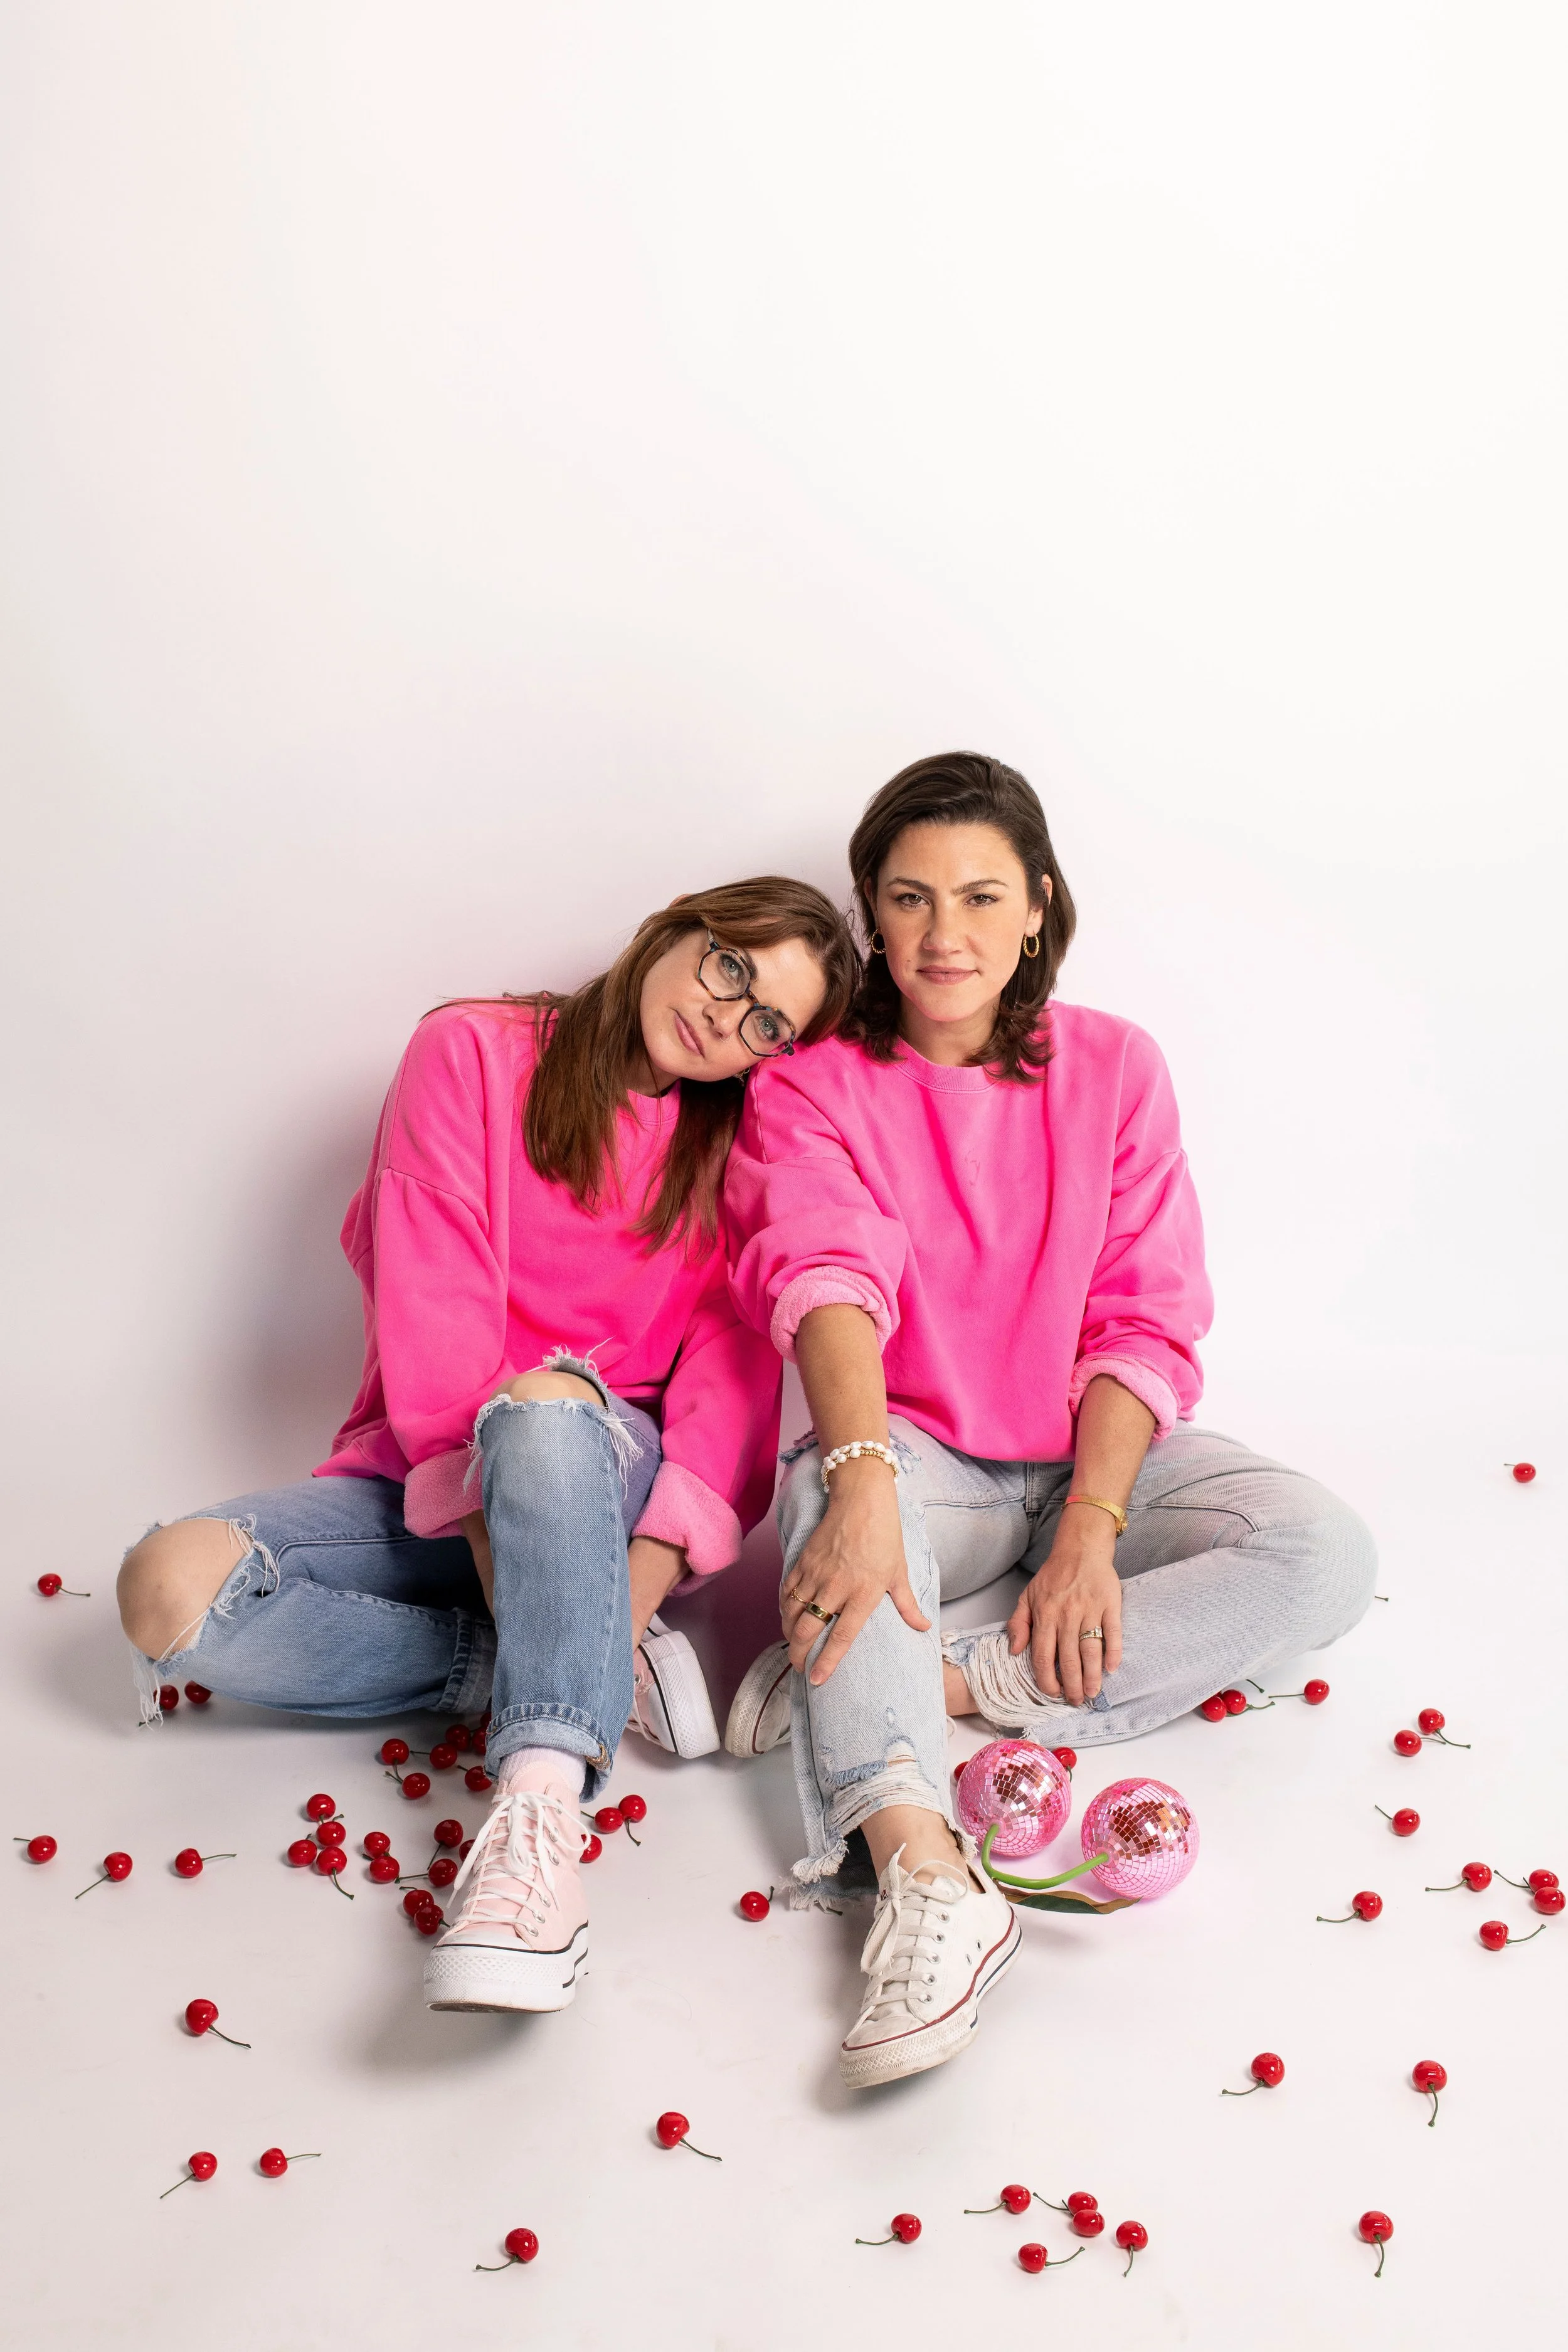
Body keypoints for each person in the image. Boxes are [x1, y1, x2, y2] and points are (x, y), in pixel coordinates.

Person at [722, 753, 1377, 2090]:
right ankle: (924, 1877)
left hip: (1091, 1457)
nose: (942, 935)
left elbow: (1142, 1317)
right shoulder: (814, 1085)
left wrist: (1089, 1532)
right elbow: (823, 1276)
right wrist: (853, 1483)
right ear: (870, 912)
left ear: (1036, 907)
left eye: (977, 896)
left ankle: (948, 1683)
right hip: (925, 1471)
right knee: (835, 1506)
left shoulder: (1115, 1069)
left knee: (1319, 1551)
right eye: (907, 900)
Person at [117, 879, 857, 2015]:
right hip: (439, 1475)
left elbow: (729, 1387)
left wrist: (633, 1580)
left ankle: (541, 1812)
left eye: (767, 1024)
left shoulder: (733, 1147)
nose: (726, 1017)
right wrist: (550, 1606)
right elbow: (435, 1316)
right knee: (164, 1588)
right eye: (729, 966)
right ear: (677, 928)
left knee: (552, 1405)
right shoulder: (468, 1052)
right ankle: (553, 1666)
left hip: (609, 1477)